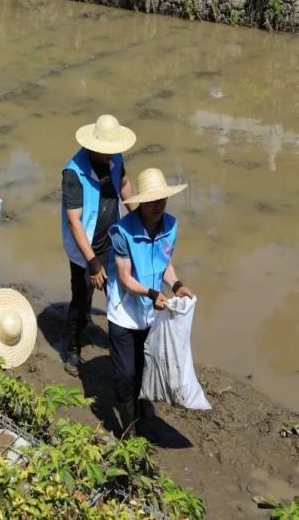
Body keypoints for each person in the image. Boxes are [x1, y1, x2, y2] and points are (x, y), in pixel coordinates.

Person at [106, 167, 194, 436]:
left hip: (151, 313)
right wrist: (152, 294)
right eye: (152, 201)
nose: (158, 206)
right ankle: (128, 430)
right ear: (141, 202)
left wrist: (177, 285)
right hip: (124, 312)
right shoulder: (122, 232)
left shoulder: (171, 225)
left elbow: (165, 263)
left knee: (145, 366)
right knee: (125, 374)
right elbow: (124, 279)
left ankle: (139, 406)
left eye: (162, 200)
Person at [61, 114, 137, 376]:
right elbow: (74, 221)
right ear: (93, 146)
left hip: (112, 240)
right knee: (82, 297)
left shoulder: (115, 158)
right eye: (106, 150)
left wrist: (138, 219)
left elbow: (124, 185)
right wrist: (93, 263)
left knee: (118, 293)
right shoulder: (73, 173)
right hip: (85, 249)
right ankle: (72, 350)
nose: (111, 154)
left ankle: (121, 345)